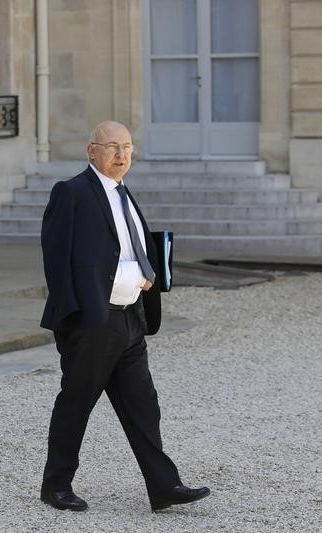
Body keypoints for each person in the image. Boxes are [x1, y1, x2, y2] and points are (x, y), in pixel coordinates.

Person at [38, 120, 210, 513]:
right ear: (91, 150)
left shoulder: (123, 193)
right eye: (112, 146)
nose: (121, 155)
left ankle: (164, 487)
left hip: (130, 318)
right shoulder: (72, 193)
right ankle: (56, 486)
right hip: (94, 322)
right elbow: (56, 259)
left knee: (143, 405)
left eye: (127, 147)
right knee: (76, 404)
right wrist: (75, 318)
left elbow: (128, 250)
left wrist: (150, 275)